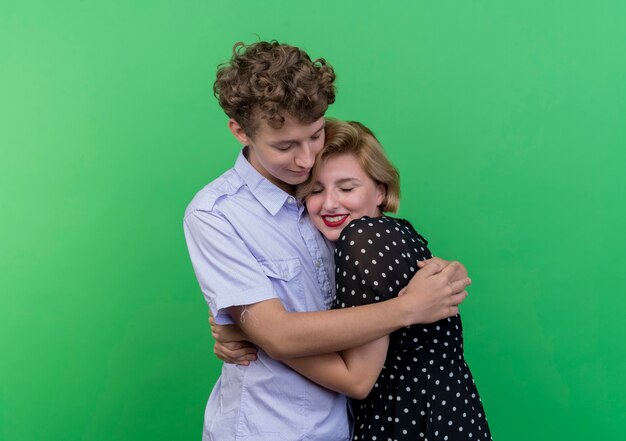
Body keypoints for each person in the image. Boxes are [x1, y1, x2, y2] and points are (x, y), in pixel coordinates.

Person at [183, 41, 470, 441]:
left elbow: (379, 265)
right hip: (269, 429)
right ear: (240, 131)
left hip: (350, 425)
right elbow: (279, 333)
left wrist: (437, 275)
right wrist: (256, 331)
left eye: (315, 135)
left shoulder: (326, 198)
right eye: (285, 146)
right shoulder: (216, 215)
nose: (304, 159)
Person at [214, 119, 492, 440]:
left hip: (413, 420)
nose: (330, 203)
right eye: (316, 190)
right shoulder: (392, 232)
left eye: (347, 188)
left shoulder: (363, 237)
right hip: (438, 412)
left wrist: (257, 333)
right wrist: (249, 321)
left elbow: (357, 380)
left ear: (380, 191)